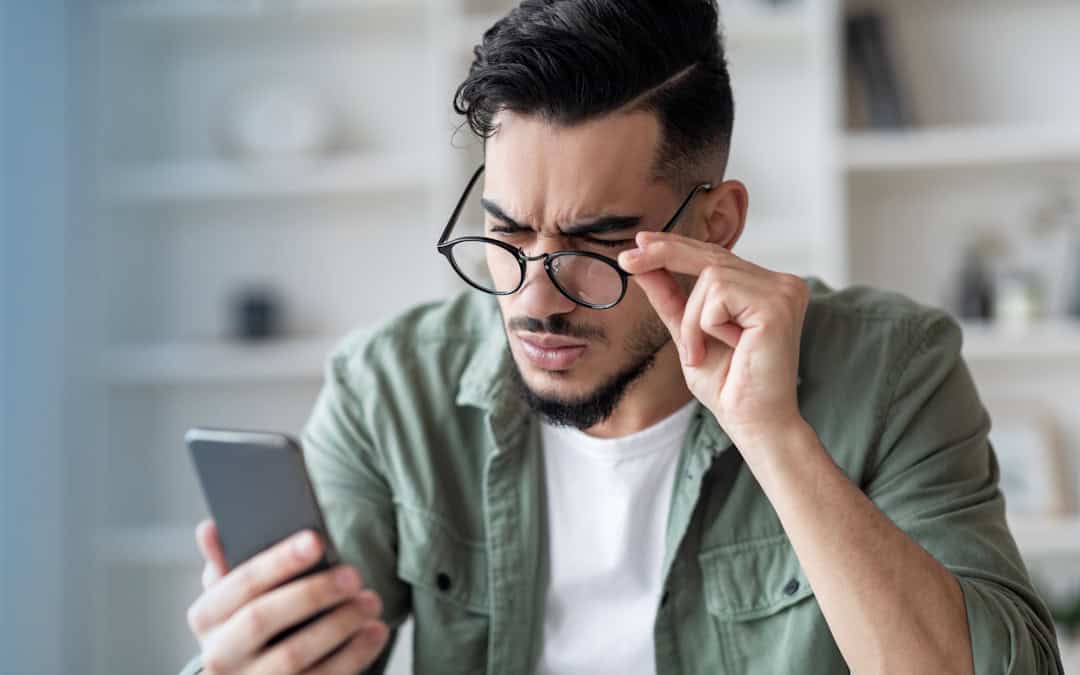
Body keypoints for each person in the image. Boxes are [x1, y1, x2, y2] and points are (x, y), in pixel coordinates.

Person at [178, 1, 1064, 673]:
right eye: (507, 234)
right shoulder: (390, 388)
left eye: (597, 245)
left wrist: (773, 432)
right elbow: (300, 644)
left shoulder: (892, 369)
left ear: (715, 224)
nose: (536, 300)